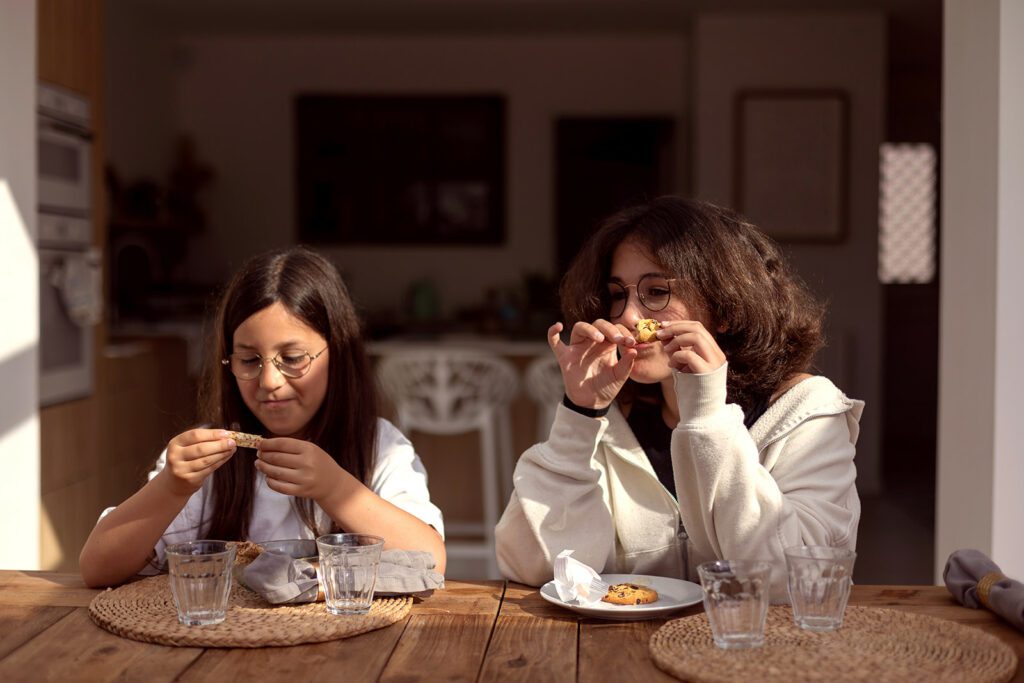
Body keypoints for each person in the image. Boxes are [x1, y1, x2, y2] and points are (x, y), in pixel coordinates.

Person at [494, 196, 863, 599]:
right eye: (618, 295)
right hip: (622, 653)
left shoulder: (809, 413)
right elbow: (532, 568)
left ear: (725, 308)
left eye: (655, 292)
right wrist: (580, 415)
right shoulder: (610, 420)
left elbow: (798, 585)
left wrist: (706, 414)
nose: (628, 318)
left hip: (768, 653)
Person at [80, 247, 446, 587]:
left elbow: (431, 564)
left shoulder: (379, 446)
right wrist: (171, 487)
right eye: (250, 360)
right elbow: (97, 568)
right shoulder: (208, 461)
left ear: (337, 354)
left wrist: (335, 488)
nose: (270, 381)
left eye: (292, 358)